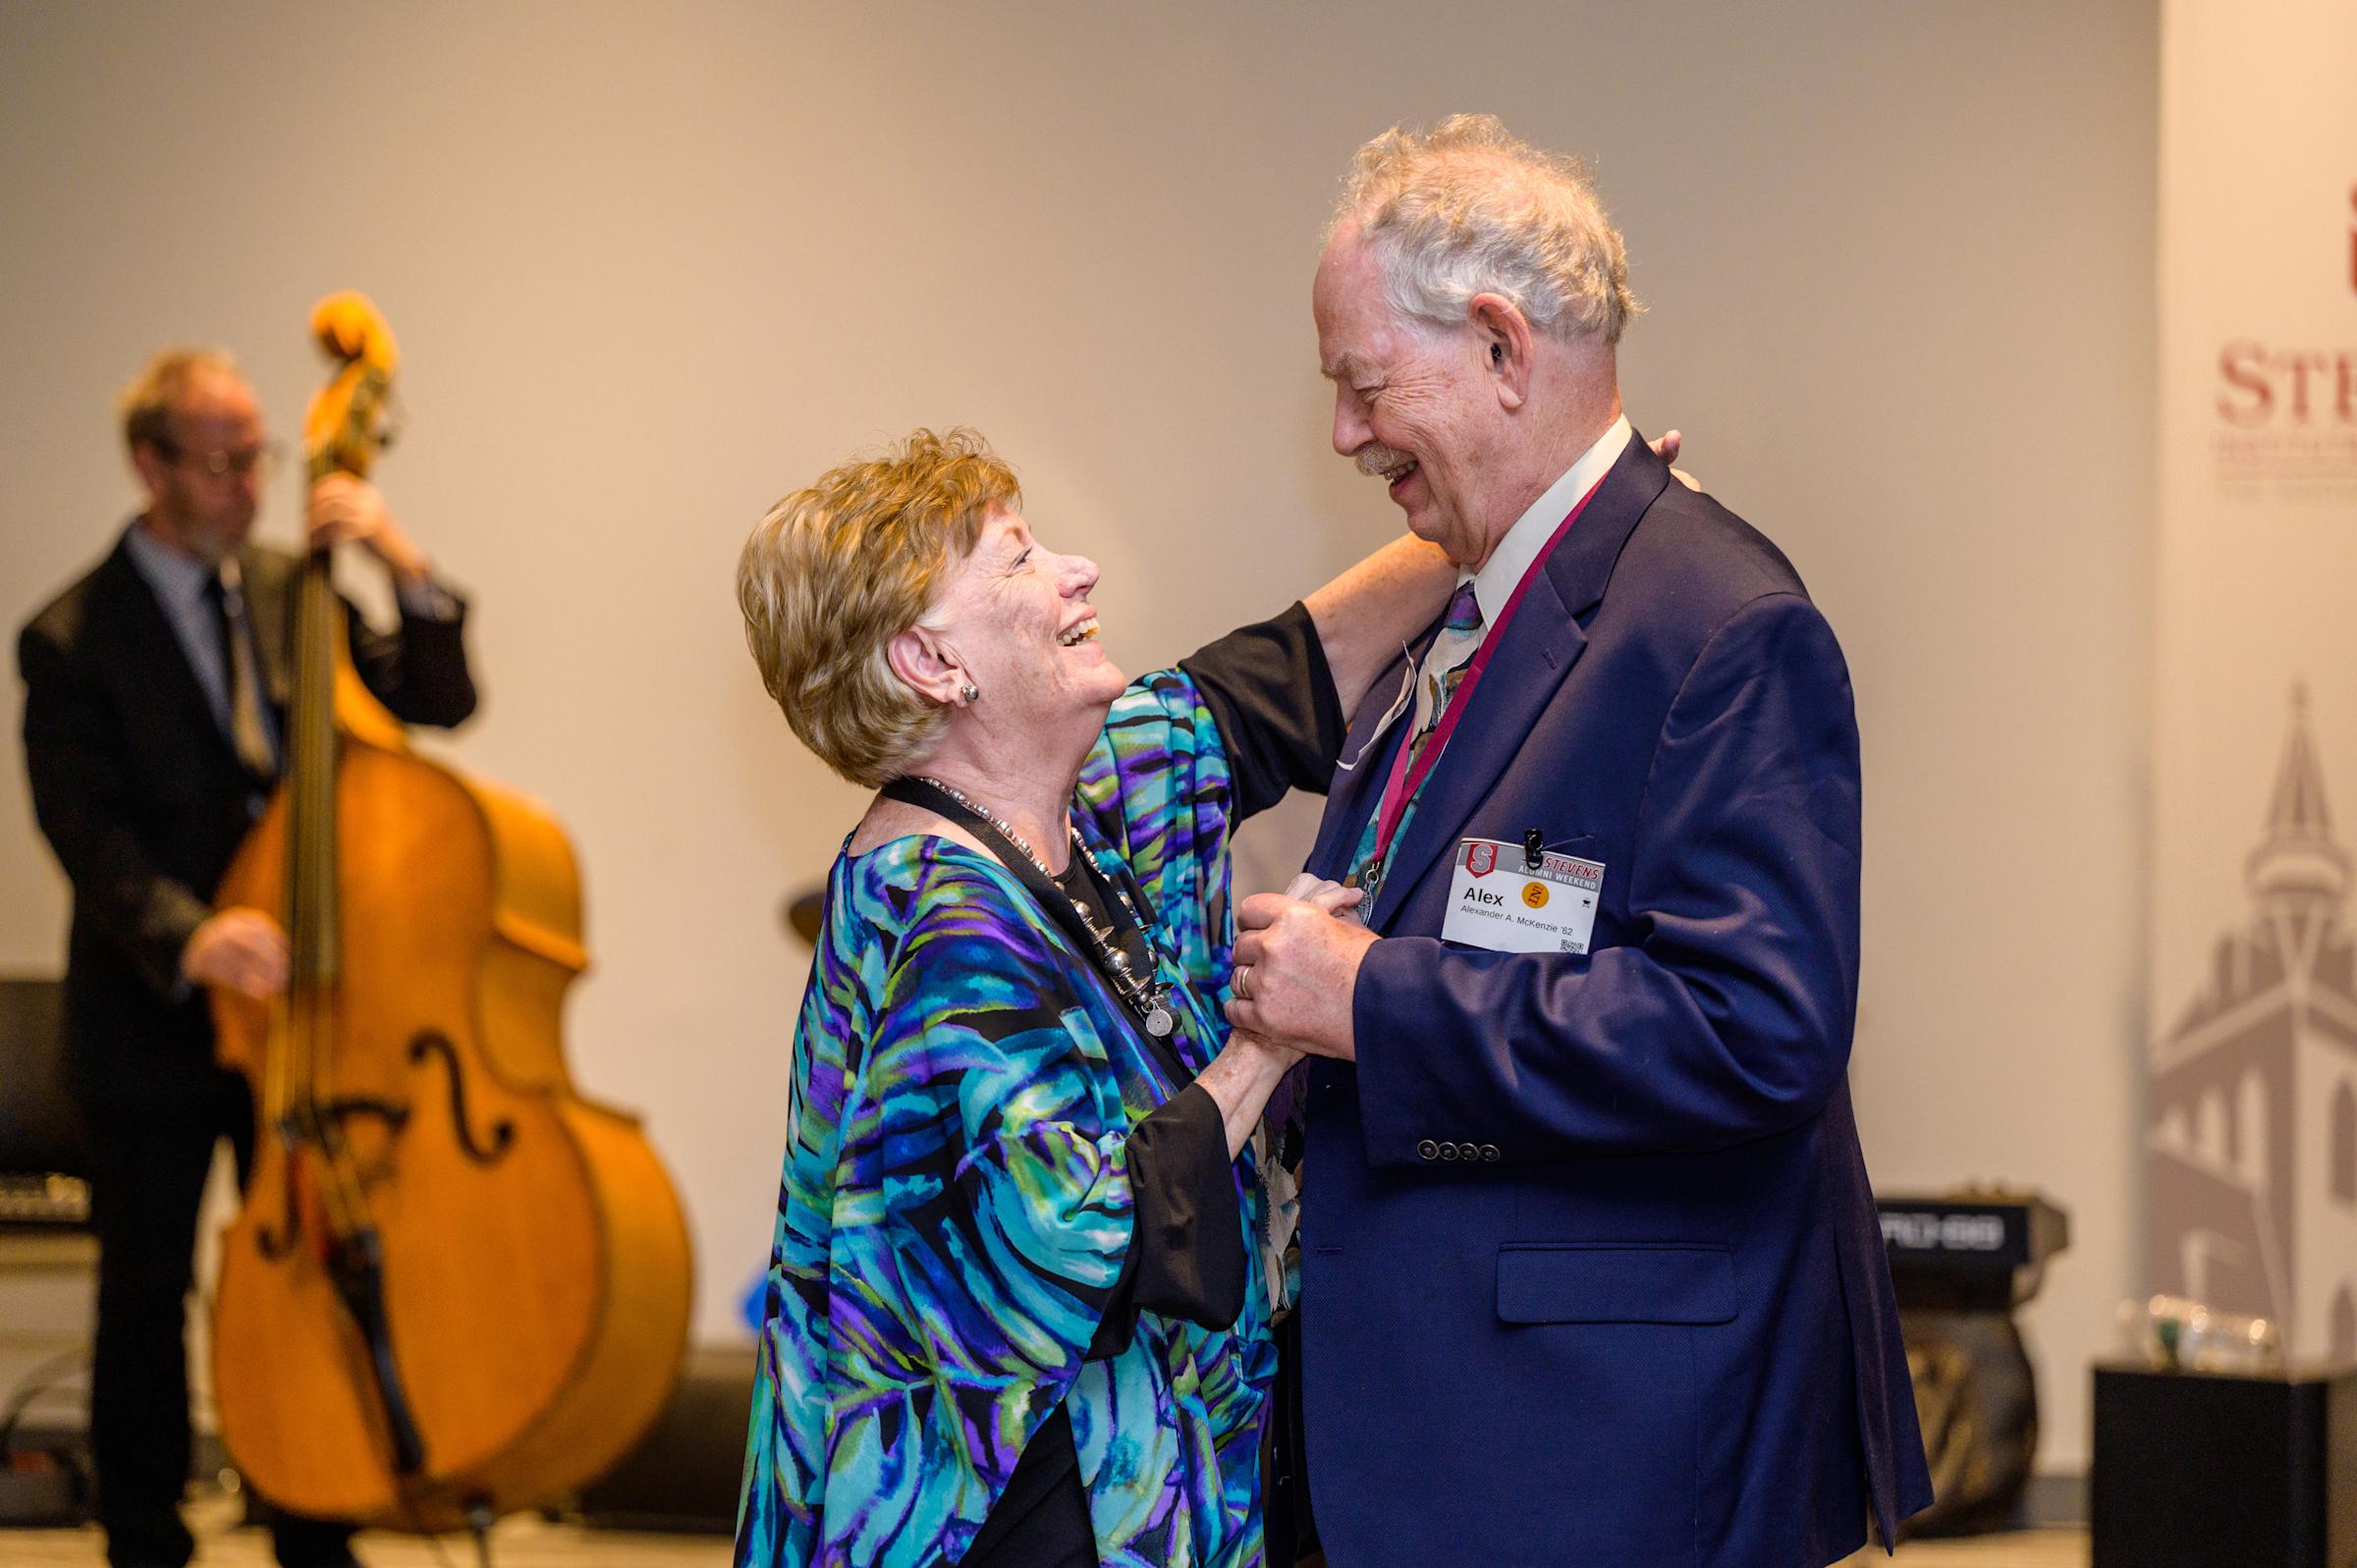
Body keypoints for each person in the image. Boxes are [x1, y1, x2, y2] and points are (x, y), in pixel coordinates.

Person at [1225, 116, 1934, 1567]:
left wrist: (1367, 997)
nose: (1349, 436)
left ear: (1500, 346)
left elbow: (1756, 1029)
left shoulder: (1720, 623)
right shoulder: (1490, 593)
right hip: (1460, 1443)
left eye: (1363, 386)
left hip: (1601, 1459)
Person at [729, 427, 1455, 1568]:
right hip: (1015, 1510)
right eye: (1018, 562)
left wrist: (1511, 513)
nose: (1079, 571)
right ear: (932, 662)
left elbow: (1284, 677)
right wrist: (1271, 1033)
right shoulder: (940, 917)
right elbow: (1082, 1228)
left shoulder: (1077, 791)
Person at [17, 349, 478, 1568]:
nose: (247, 487)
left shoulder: (294, 587)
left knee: (316, 1270)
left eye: (259, 457)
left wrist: (400, 560)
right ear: (151, 463)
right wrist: (194, 933)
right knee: (147, 1293)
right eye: (221, 463)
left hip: (308, 1011)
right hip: (156, 1016)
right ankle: (145, 1535)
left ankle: (313, 1518)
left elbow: (439, 700)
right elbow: (84, 830)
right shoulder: (69, 635)